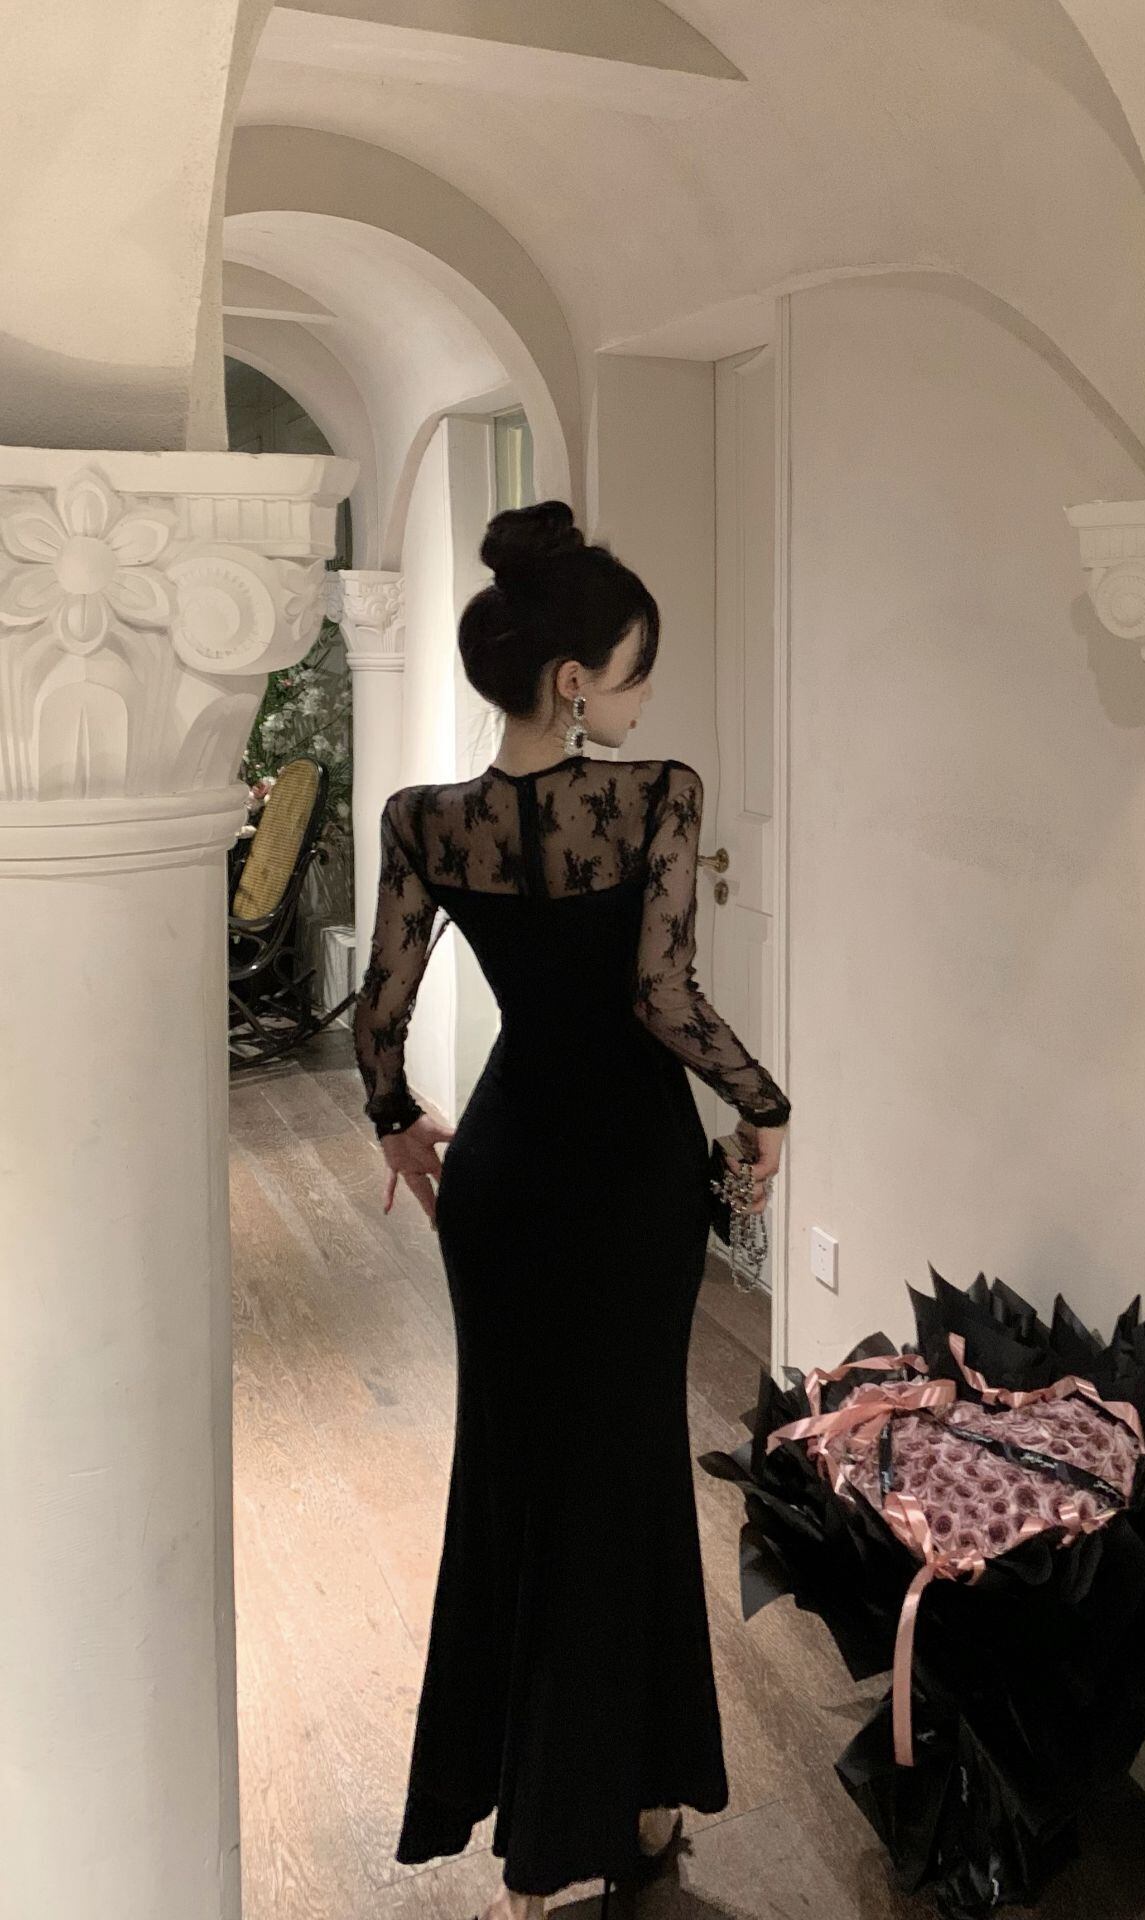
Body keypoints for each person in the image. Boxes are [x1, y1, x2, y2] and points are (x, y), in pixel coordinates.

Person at [351, 499, 791, 1920]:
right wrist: (766, 1104)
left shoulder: (424, 820)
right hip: (628, 1177)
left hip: (503, 1176)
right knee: (629, 1475)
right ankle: (633, 1797)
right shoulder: (658, 795)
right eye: (637, 670)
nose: (647, 694)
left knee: (515, 1475)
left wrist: (399, 1122)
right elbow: (661, 996)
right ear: (575, 681)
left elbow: (378, 1016)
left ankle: (534, 1823)